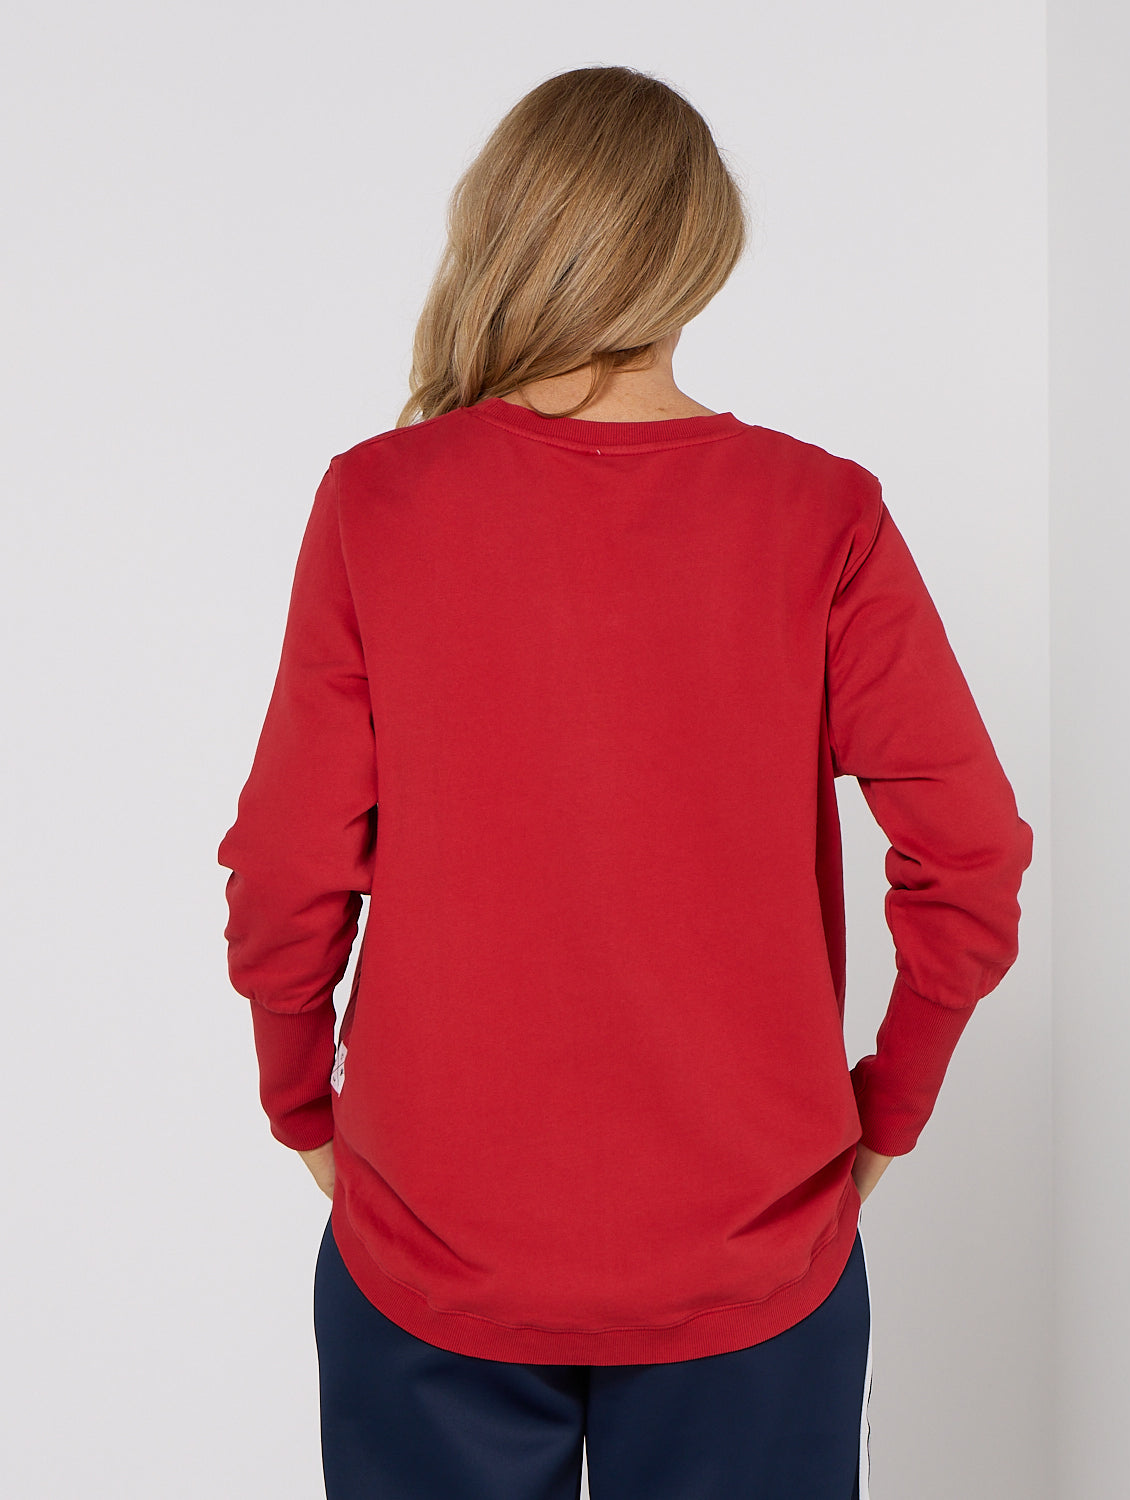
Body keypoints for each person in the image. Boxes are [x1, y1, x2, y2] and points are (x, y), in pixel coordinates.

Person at [217, 64, 1034, 1500]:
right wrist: (882, 1118)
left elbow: (289, 870)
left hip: (430, 1250)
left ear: (501, 230)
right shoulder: (821, 513)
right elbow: (972, 856)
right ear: (699, 255)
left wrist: (303, 1105)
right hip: (753, 1258)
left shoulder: (378, 502)